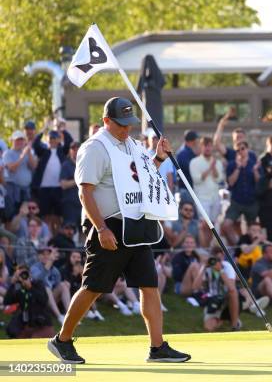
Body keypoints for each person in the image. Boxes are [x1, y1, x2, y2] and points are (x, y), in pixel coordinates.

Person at [48, 97, 190, 364]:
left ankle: (157, 347)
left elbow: (143, 177)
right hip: (108, 225)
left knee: (150, 285)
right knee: (93, 287)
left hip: (136, 224)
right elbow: (84, 193)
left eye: (130, 124)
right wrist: (101, 228)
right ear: (106, 121)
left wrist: (158, 158)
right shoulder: (95, 148)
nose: (127, 129)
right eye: (121, 124)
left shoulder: (133, 146)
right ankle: (62, 340)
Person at [31, 123, 73, 234]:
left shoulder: (62, 151)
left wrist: (63, 130)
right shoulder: (43, 151)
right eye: (50, 138)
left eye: (54, 137)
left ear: (58, 139)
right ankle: (48, 237)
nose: (52, 140)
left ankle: (57, 237)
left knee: (57, 216)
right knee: (46, 215)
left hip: (58, 188)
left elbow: (69, 142)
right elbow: (35, 144)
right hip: (44, 188)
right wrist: (43, 131)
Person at [222, 141, 260, 245]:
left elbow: (259, 182)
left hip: (251, 202)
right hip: (236, 202)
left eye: (242, 149)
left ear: (247, 149)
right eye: (237, 150)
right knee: (226, 225)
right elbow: (230, 182)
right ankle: (238, 248)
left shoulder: (254, 164)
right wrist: (238, 167)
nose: (240, 152)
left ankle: (251, 251)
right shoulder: (231, 165)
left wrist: (255, 170)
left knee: (253, 229)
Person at [189, 137, 225, 247]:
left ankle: (208, 248)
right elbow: (197, 179)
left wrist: (214, 168)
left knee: (212, 224)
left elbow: (219, 179)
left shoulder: (217, 162)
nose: (208, 148)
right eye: (205, 145)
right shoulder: (194, 162)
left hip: (215, 197)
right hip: (202, 198)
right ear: (201, 147)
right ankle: (203, 248)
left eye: (210, 146)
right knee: (204, 224)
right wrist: (210, 168)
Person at [4, 265, 54, 339]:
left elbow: (43, 300)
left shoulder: (38, 284)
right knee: (18, 342)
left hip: (42, 323)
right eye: (20, 274)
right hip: (27, 323)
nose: (23, 276)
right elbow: (7, 301)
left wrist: (30, 287)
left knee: (35, 341)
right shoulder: (19, 288)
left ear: (29, 274)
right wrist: (13, 284)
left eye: (24, 273)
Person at [3, 131, 37, 217]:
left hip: (25, 190)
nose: (20, 142)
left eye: (21, 140)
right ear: (12, 141)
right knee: (13, 214)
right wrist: (22, 156)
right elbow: (12, 169)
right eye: (17, 140)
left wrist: (28, 153)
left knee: (26, 215)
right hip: (13, 190)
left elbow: (33, 167)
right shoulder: (8, 153)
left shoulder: (27, 153)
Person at [59, 142, 81, 226]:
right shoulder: (66, 165)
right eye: (73, 149)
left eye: (77, 149)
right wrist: (79, 180)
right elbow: (63, 184)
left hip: (84, 204)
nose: (75, 151)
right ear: (70, 151)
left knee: (84, 231)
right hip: (70, 205)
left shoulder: (85, 164)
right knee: (70, 230)